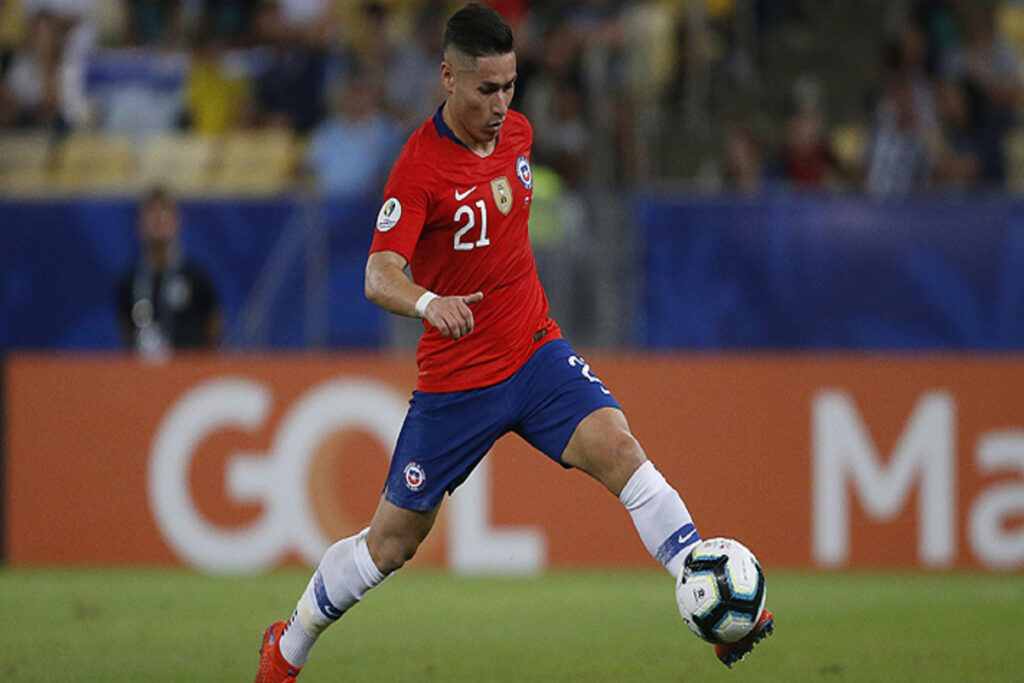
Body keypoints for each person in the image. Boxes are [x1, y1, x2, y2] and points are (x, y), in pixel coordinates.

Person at [254, 5, 773, 681]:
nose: (501, 105)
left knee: (620, 448)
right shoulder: (418, 168)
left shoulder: (519, 136)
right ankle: (287, 646)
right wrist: (429, 301)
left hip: (534, 353)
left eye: (509, 86)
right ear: (447, 77)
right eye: (486, 89)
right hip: (456, 383)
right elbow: (378, 274)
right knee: (391, 543)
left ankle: (705, 589)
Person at [117, 186, 222, 357]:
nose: (158, 220)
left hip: (189, 372)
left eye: (164, 213)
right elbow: (126, 331)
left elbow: (213, 327)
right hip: (145, 375)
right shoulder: (129, 282)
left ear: (177, 221)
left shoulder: (197, 277)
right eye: (151, 214)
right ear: (139, 225)